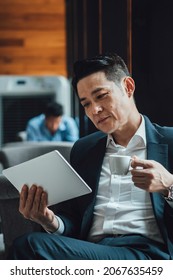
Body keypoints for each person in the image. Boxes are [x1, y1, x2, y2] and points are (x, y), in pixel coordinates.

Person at [8, 53, 173, 260]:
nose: (95, 109)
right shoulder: (84, 149)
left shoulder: (169, 141)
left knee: (29, 246)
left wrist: (169, 186)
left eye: (101, 95)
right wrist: (50, 221)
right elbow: (75, 221)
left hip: (146, 254)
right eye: (86, 104)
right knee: (31, 243)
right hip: (92, 251)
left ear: (128, 87)